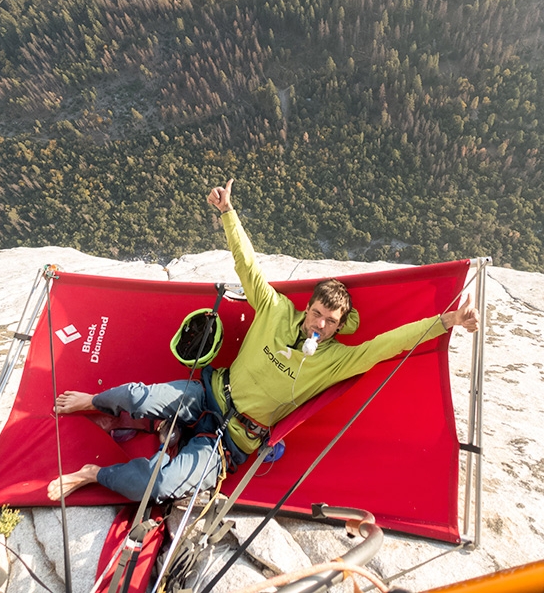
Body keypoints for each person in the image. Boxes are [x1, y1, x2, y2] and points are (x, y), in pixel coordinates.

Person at [48, 179, 479, 504]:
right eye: (317, 314)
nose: (320, 325)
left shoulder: (336, 360)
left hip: (236, 439)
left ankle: (92, 474)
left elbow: (386, 345)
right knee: (136, 397)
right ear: (306, 307)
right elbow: (247, 265)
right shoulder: (274, 309)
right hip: (208, 394)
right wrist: (227, 212)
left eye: (331, 321)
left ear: (340, 324)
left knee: (159, 485)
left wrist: (445, 321)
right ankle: (95, 401)